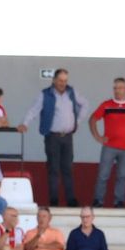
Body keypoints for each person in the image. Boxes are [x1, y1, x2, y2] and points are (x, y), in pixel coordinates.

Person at [18, 69, 87, 206]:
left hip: (68, 136)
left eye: (65, 81)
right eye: (61, 80)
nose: (63, 83)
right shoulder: (45, 94)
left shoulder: (71, 92)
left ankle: (71, 199)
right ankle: (54, 200)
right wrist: (25, 123)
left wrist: (77, 121)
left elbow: (85, 104)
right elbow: (34, 110)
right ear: (54, 80)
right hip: (53, 137)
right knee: (54, 169)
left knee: (68, 168)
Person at [89, 77, 125, 207]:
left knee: (122, 176)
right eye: (115, 88)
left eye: (120, 88)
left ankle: (119, 201)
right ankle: (98, 200)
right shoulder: (106, 105)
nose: (117, 91)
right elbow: (92, 119)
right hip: (109, 147)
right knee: (103, 175)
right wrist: (97, 136)